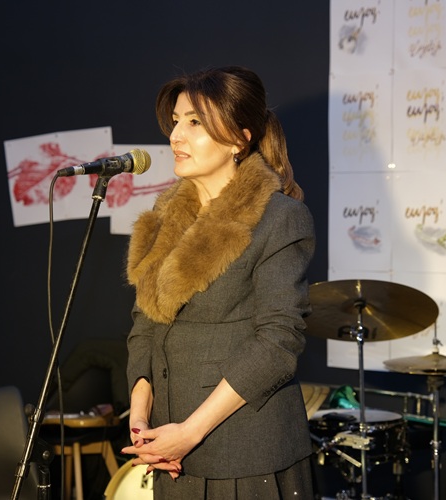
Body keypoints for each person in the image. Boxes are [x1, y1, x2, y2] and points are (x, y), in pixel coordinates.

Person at [121, 66, 316, 499]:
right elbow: (145, 324)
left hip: (246, 454)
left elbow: (278, 341)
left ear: (238, 140)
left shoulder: (279, 218)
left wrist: (190, 432)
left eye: (194, 122)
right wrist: (140, 417)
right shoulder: (166, 216)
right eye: (176, 121)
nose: (176, 136)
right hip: (170, 451)